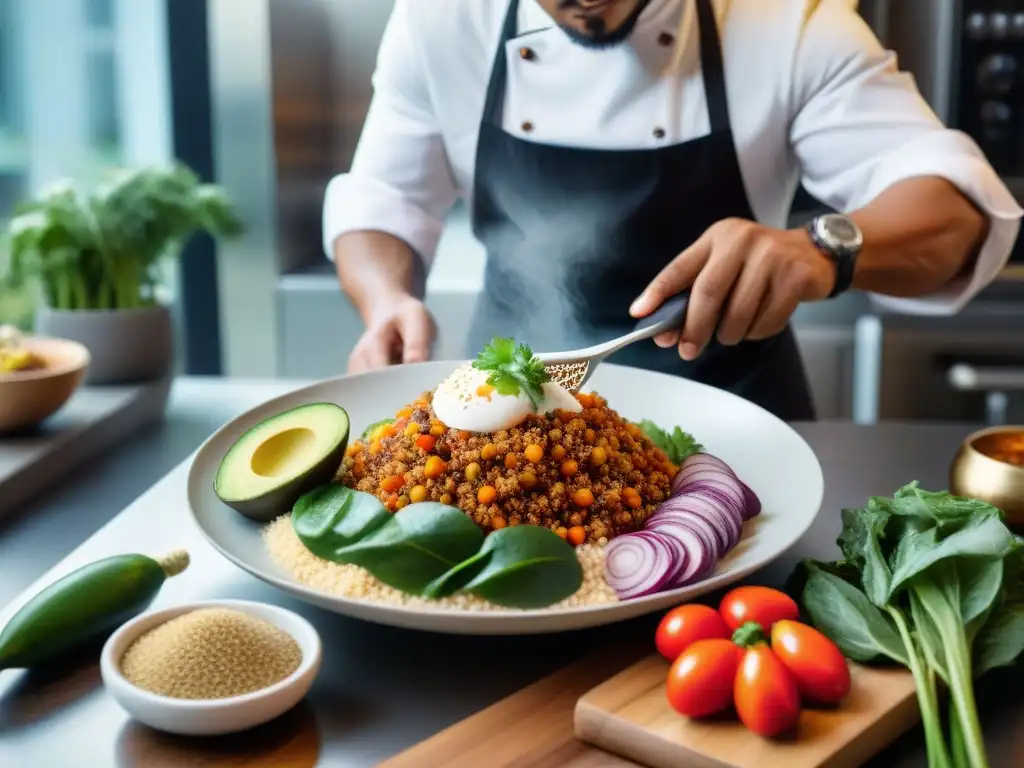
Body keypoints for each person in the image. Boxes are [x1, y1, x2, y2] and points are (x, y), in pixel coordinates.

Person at [323, 0, 1022, 421]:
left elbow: (954, 208)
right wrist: (386, 300)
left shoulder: (789, 22)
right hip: (508, 420)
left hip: (742, 434)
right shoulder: (441, 19)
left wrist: (823, 251)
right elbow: (387, 196)